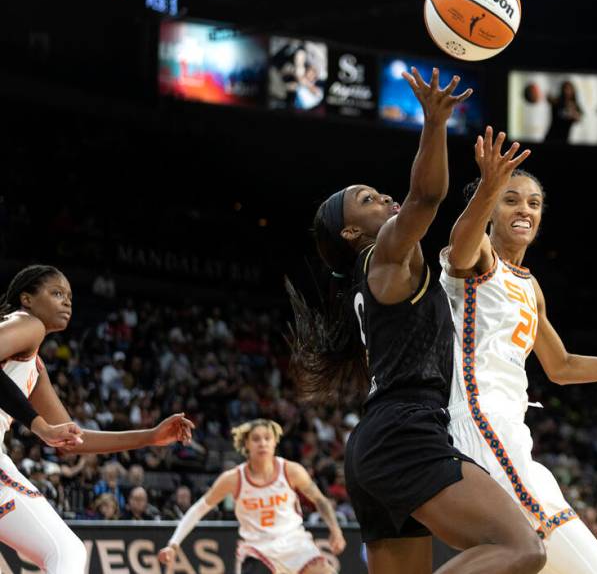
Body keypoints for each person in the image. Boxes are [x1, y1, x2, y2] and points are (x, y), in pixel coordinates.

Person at [287, 68, 546, 574]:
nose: (384, 199)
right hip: (407, 432)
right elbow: (425, 198)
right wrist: (434, 123)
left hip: (376, 443)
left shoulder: (378, 275)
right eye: (367, 200)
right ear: (349, 232)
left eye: (380, 194)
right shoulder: (382, 254)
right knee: (522, 549)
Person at [440, 127, 597, 573]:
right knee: (565, 548)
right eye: (511, 199)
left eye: (533, 203)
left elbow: (563, 366)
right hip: (478, 417)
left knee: (534, 558)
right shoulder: (478, 260)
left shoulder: (530, 286)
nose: (524, 210)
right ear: (490, 206)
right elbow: (461, 244)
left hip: (511, 425)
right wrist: (489, 183)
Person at [0, 264, 194, 573]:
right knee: (66, 553)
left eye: (70, 297)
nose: (66, 302)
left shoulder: (33, 367)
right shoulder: (28, 324)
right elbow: (51, 432)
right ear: (27, 299)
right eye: (56, 293)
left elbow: (74, 441)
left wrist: (150, 437)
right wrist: (40, 426)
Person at [158, 419, 343, 573]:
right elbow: (199, 509)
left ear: (275, 442)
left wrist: (335, 529)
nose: (262, 443)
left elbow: (320, 500)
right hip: (257, 549)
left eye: (267, 438)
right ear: (246, 443)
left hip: (295, 543)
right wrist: (173, 544)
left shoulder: (291, 471)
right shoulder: (233, 479)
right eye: (256, 439)